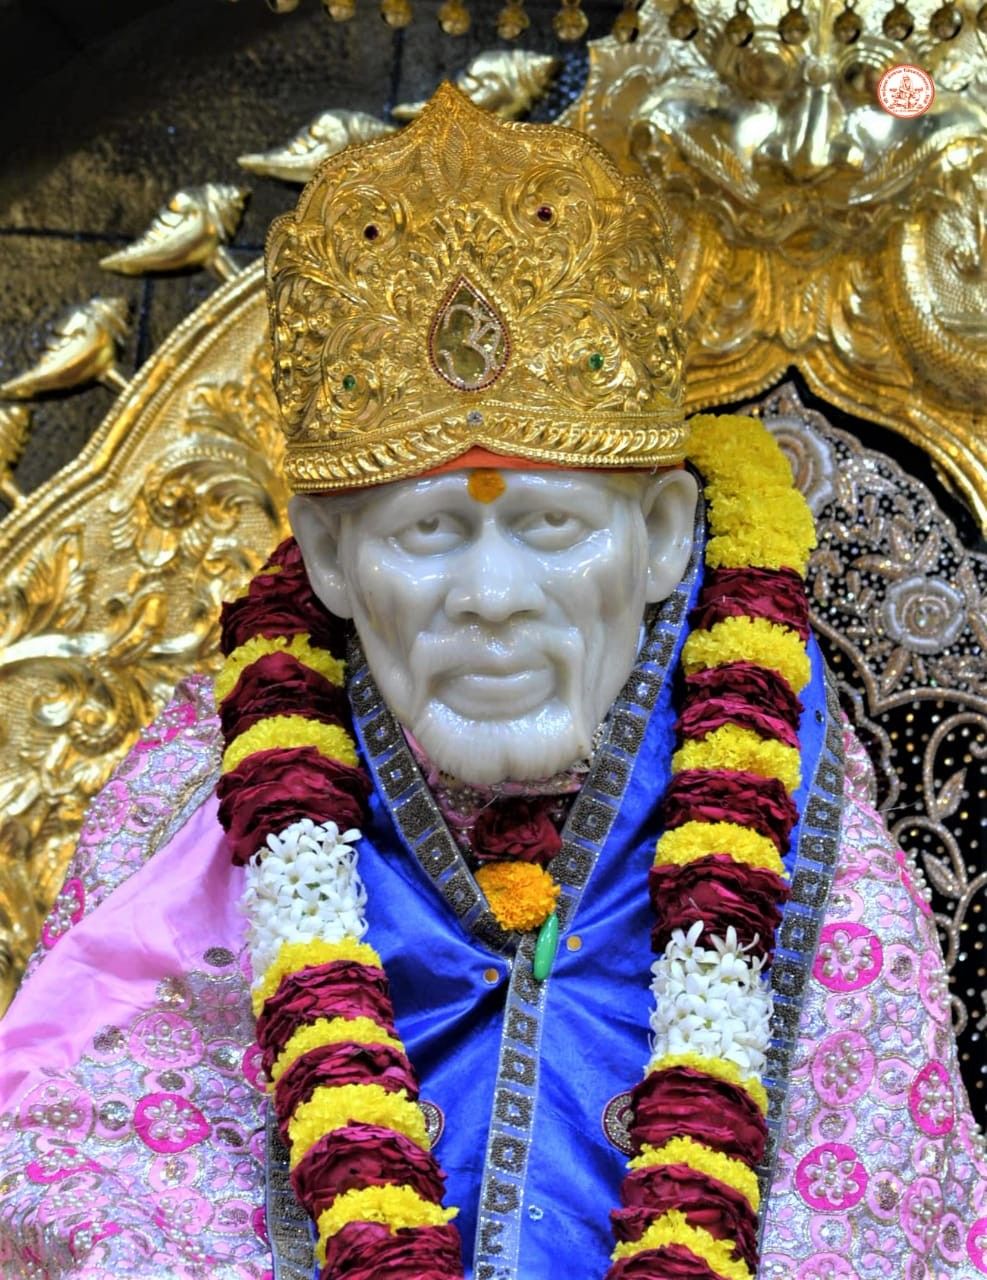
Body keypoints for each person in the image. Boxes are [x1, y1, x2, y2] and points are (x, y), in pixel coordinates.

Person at [0, 84, 983, 1280]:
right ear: (328, 557)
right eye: (429, 534)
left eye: (555, 522)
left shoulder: (791, 796)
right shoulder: (198, 804)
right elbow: (87, 1162)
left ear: (666, 534)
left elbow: (880, 1198)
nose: (496, 592)